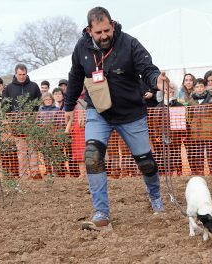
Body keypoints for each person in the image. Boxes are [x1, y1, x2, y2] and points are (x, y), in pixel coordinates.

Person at [64, 6, 169, 231]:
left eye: (106, 30)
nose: (104, 36)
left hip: (131, 113)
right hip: (99, 112)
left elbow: (147, 69)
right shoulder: (81, 48)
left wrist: (156, 81)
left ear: (112, 25)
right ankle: (101, 213)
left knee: (146, 162)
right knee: (92, 156)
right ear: (89, 30)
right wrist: (69, 105)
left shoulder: (129, 43)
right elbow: (75, 76)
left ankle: (155, 196)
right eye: (98, 32)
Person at [3, 63, 42, 178]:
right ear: (15, 74)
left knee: (33, 149)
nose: (22, 76)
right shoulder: (8, 88)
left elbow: (38, 101)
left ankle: (35, 172)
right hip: (17, 125)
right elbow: (5, 105)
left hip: (31, 123)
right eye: (19, 74)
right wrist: (12, 118)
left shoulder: (34, 86)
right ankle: (23, 174)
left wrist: (32, 114)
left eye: (24, 74)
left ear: (26, 73)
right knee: (21, 152)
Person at [186, 78, 212, 175]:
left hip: (208, 130)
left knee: (209, 152)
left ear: (205, 87)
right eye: (197, 87)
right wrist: (192, 125)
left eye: (201, 86)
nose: (199, 88)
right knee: (198, 152)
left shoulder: (211, 99)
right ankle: (200, 171)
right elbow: (189, 116)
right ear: (194, 88)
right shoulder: (191, 101)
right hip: (196, 131)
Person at [0, 77, 19, 178]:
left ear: (2, 85)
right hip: (0, 127)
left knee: (13, 150)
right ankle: (7, 174)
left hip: (10, 125)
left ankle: (16, 173)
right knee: (3, 152)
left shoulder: (9, 94)